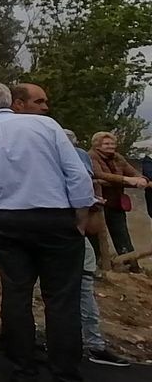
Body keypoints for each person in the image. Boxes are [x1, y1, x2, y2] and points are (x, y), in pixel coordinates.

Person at [0, 79, 94, 382]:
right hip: (53, 216)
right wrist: (81, 217)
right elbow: (76, 174)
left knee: (16, 292)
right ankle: (64, 367)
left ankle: (23, 363)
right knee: (61, 296)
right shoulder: (46, 127)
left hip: (6, 218)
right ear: (9, 101)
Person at [57, 130, 132, 368]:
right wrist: (82, 221)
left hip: (39, 226)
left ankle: (45, 342)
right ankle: (92, 345)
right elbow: (83, 186)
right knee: (83, 284)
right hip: (70, 230)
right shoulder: (78, 155)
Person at [88, 131, 148, 272]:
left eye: (112, 143)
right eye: (107, 144)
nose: (111, 146)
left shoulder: (117, 157)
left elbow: (131, 171)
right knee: (96, 236)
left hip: (116, 202)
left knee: (121, 234)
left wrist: (141, 179)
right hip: (97, 202)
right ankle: (96, 267)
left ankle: (132, 267)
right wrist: (126, 180)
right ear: (97, 145)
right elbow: (98, 174)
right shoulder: (91, 156)